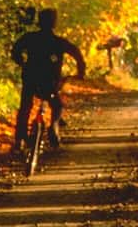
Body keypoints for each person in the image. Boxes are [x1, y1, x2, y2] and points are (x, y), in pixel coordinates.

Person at [11, 8, 86, 151]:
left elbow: (15, 50)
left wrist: (22, 62)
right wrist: (80, 72)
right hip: (50, 82)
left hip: (30, 79)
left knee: (25, 107)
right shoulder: (59, 42)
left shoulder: (29, 38)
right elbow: (77, 55)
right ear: (54, 23)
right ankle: (54, 126)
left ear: (39, 21)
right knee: (57, 105)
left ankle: (20, 139)